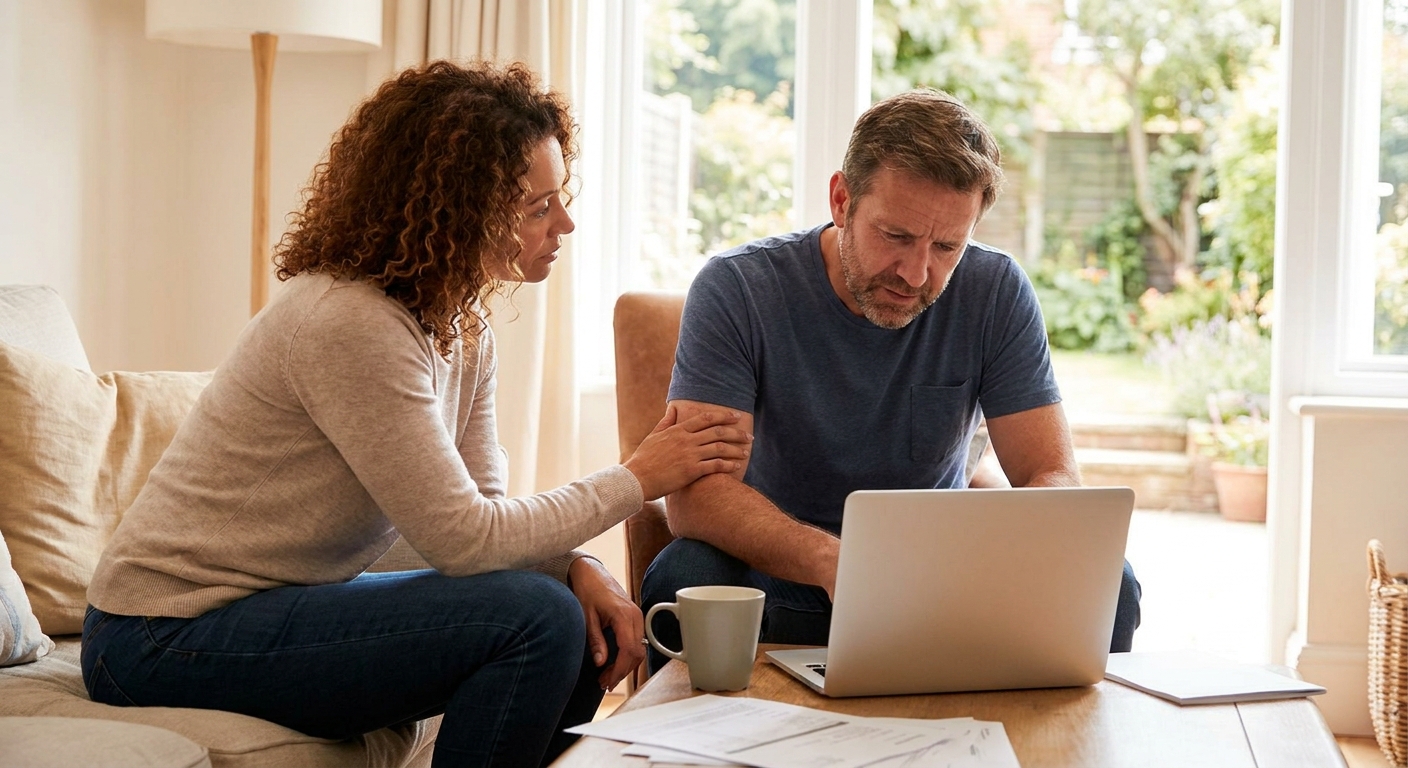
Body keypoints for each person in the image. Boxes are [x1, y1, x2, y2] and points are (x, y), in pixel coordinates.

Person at [80, 60, 751, 768]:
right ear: (460, 209)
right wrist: (635, 477)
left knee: (572, 616)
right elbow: (467, 543)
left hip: (271, 604)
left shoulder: (463, 330)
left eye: (561, 198)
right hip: (158, 635)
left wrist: (576, 566)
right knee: (536, 617)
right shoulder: (348, 322)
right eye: (537, 207)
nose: (566, 223)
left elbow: (480, 522)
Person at [641, 88, 1141, 674]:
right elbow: (695, 497)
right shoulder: (737, 289)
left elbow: (1050, 473)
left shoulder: (996, 291)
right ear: (841, 200)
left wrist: (1014, 556)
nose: (916, 273)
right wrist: (833, 561)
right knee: (685, 577)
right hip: (784, 578)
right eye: (896, 236)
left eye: (948, 246)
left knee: (1112, 585)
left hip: (938, 582)